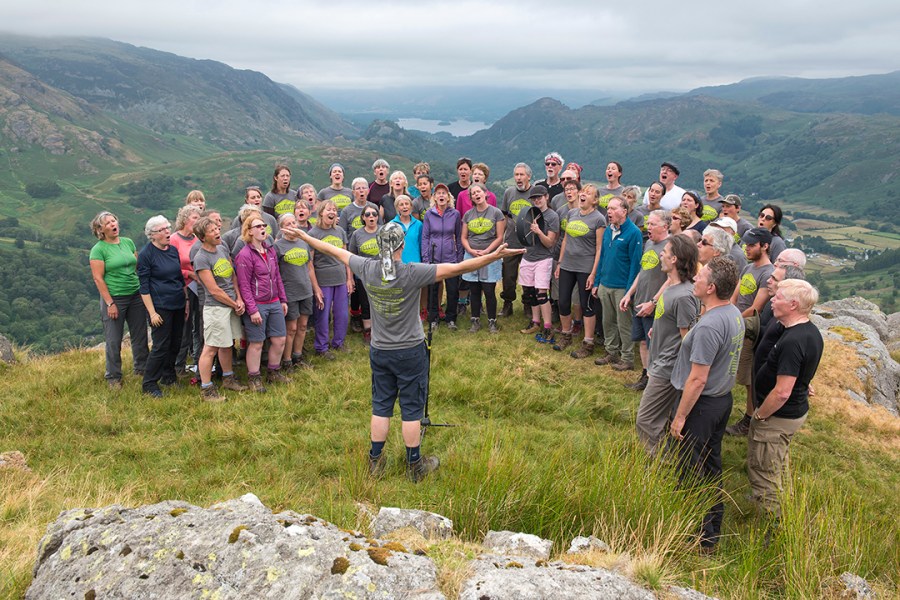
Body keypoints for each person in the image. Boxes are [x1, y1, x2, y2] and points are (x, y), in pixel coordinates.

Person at [287, 221, 525, 482]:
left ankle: (375, 462)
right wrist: (495, 256)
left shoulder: (365, 267)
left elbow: (333, 251)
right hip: (410, 350)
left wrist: (302, 235)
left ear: (379, 245)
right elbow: (459, 267)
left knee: (381, 406)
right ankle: (415, 466)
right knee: (411, 409)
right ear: (402, 245)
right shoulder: (413, 272)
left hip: (380, 349)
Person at [669, 256, 744, 552]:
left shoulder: (710, 326)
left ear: (711, 287)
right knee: (711, 466)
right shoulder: (733, 312)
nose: (695, 279)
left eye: (701, 277)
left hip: (701, 405)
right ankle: (712, 528)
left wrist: (680, 417)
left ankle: (696, 536)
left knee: (690, 470)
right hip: (722, 401)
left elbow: (698, 379)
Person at [748, 279, 823, 517]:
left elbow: (781, 392)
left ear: (792, 304)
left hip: (777, 416)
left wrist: (760, 415)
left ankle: (773, 526)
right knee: (777, 463)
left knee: (764, 470)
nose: (772, 299)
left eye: (778, 297)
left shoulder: (792, 341)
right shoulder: (809, 331)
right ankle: (779, 504)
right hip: (793, 412)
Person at [634, 234, 700, 450]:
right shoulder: (671, 287)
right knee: (657, 420)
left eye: (666, 251)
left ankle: (657, 467)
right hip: (659, 361)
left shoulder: (684, 296)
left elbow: (688, 340)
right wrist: (659, 328)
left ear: (675, 259)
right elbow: (673, 323)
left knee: (646, 420)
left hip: (667, 368)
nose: (661, 253)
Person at [89, 211, 149, 389]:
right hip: (115, 297)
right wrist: (110, 303)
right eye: (107, 223)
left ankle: (142, 368)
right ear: (100, 229)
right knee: (114, 339)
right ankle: (113, 377)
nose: (113, 224)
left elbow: (137, 266)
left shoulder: (128, 242)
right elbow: (98, 278)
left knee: (140, 335)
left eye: (114, 220)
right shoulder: (98, 250)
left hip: (135, 294)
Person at [192, 216, 248, 401]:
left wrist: (238, 298)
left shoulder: (222, 248)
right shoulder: (201, 258)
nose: (218, 232)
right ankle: (206, 389)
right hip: (216, 308)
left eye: (217, 228)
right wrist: (234, 304)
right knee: (211, 347)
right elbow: (214, 290)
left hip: (231, 305)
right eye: (212, 231)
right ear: (202, 236)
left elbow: (232, 276)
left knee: (227, 344)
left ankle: (228, 378)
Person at [726, 227, 775, 437]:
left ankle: (749, 419)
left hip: (747, 331)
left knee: (748, 379)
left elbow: (756, 308)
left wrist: (732, 320)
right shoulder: (748, 268)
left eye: (752, 245)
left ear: (765, 246)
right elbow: (734, 297)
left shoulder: (768, 273)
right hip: (735, 324)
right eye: (746, 244)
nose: (747, 248)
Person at [234, 214, 289, 391]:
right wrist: (252, 310)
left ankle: (273, 372)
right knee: (257, 342)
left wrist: (282, 299)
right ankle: (254, 377)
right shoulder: (244, 255)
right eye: (257, 226)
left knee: (280, 339)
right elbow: (244, 285)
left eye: (263, 225)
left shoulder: (270, 250)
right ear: (249, 231)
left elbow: (277, 277)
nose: (262, 228)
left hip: (274, 302)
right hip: (257, 304)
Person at [619, 209, 670, 387]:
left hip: (655, 305)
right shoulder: (649, 244)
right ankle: (645, 376)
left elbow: (672, 279)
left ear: (665, 226)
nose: (648, 227)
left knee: (654, 344)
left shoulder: (670, 246)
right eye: (648, 223)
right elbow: (643, 272)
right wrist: (629, 294)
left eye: (653, 224)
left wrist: (654, 302)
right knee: (642, 341)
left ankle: (656, 381)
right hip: (641, 301)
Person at [137, 215, 187, 398]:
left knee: (176, 343)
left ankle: (169, 377)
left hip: (178, 303)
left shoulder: (172, 251)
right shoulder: (146, 255)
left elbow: (179, 279)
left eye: (168, 227)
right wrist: (152, 313)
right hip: (160, 307)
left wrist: (186, 301)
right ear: (152, 235)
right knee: (160, 346)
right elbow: (144, 287)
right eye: (163, 230)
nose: (168, 231)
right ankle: (149, 384)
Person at [554, 183, 605, 357]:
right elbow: (566, 240)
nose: (583, 195)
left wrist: (593, 273)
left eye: (588, 193)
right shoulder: (571, 213)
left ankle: (588, 343)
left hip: (585, 267)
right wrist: (560, 263)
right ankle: (566, 335)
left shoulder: (599, 219)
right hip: (567, 264)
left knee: (586, 304)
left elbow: (599, 248)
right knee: (563, 301)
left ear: (595, 200)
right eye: (582, 192)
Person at [592, 197, 643, 371]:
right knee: (608, 321)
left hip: (622, 287)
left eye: (613, 209)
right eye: (608, 208)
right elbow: (603, 258)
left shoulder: (634, 233)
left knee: (624, 324)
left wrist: (629, 292)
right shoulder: (608, 230)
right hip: (605, 284)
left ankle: (627, 358)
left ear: (624, 211)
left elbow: (635, 265)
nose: (609, 211)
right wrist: (597, 282)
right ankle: (611, 351)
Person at [307, 199, 353, 359]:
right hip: (323, 280)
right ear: (321, 213)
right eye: (329, 209)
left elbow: (346, 257)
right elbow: (310, 264)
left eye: (334, 210)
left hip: (341, 279)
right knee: (323, 315)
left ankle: (338, 343)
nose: (332, 212)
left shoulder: (340, 231)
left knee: (342, 314)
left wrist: (349, 278)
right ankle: (321, 347)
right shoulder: (313, 234)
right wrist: (316, 287)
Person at [517, 185, 560, 343]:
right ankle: (535, 322)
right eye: (534, 198)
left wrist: (538, 231)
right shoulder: (530, 213)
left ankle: (548, 326)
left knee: (542, 294)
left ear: (546, 197)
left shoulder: (553, 216)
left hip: (544, 258)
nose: (536, 200)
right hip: (528, 256)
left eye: (539, 197)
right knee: (530, 292)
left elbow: (550, 243)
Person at [461, 183, 506, 333]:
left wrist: (487, 251)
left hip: (490, 255)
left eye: (478, 192)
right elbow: (464, 237)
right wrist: (471, 251)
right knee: (474, 290)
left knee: (488, 290)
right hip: (472, 255)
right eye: (473, 193)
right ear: (471, 198)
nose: (476, 195)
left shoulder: (496, 213)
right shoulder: (468, 215)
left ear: (485, 193)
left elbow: (499, 237)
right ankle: (475, 321)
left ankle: (492, 321)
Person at [275, 213, 318, 370]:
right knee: (291, 328)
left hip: (305, 290)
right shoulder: (278, 246)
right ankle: (286, 360)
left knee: (303, 325)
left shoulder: (303, 243)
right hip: (289, 292)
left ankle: (297, 356)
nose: (293, 226)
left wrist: (316, 289)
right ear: (282, 229)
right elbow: (276, 272)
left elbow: (309, 267)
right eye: (288, 224)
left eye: (294, 222)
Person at [422, 183, 463, 330]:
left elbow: (458, 237)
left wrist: (459, 258)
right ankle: (433, 319)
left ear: (448, 197)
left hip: (451, 258)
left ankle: (451, 318)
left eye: (443, 193)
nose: (441, 195)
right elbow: (425, 237)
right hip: (433, 259)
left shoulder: (455, 214)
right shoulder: (429, 214)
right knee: (432, 291)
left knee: (452, 290)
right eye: (438, 193)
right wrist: (426, 258)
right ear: (434, 197)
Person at [170, 205, 203, 377]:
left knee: (199, 327)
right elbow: (170, 267)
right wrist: (188, 273)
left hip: (200, 287)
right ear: (184, 219)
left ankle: (199, 364)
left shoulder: (198, 238)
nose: (197, 222)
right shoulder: (174, 240)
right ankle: (178, 366)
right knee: (185, 327)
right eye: (195, 218)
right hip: (183, 288)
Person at [500, 163, 535, 317]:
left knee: (528, 276)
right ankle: (508, 304)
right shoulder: (509, 192)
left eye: (522, 175)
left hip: (529, 242)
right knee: (508, 276)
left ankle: (528, 304)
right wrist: (502, 237)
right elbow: (505, 216)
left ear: (529, 176)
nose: (519, 178)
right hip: (511, 241)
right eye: (516, 175)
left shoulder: (535, 193)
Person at [348, 206, 382, 345]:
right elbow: (351, 257)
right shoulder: (357, 234)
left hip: (382, 274)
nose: (371, 217)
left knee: (381, 303)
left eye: (374, 214)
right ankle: (368, 331)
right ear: (363, 217)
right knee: (366, 303)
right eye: (367, 214)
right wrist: (350, 278)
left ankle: (382, 330)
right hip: (363, 275)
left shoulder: (384, 231)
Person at [390, 195, 423, 264]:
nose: (405, 207)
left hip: (416, 264)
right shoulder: (391, 225)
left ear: (411, 206)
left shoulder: (419, 224)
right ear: (397, 208)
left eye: (407, 204)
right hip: (398, 265)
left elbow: (422, 245)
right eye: (401, 205)